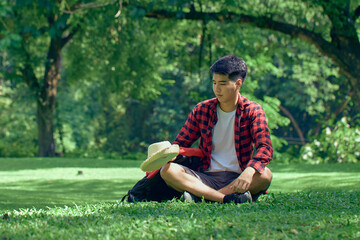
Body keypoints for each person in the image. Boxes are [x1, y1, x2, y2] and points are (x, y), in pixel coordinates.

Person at [160, 54, 273, 204]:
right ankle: (226, 198)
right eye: (214, 83)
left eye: (223, 83)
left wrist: (249, 171)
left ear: (238, 83)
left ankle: (203, 198)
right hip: (205, 177)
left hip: (239, 177)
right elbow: (180, 144)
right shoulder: (202, 109)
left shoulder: (253, 110)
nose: (217, 89)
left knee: (265, 175)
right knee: (167, 170)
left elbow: (265, 148)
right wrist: (170, 154)